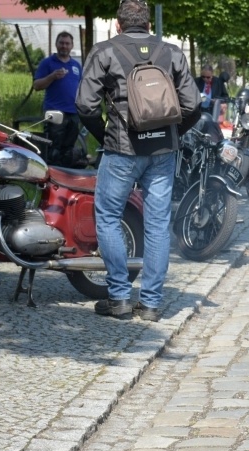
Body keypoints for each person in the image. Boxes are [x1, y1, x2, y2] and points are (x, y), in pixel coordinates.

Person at [76, 0, 199, 321]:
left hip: (121, 148)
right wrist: (174, 134)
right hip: (162, 152)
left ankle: (119, 298)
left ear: (118, 25)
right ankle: (152, 304)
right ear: (148, 25)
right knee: (158, 224)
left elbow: (85, 105)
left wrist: (103, 135)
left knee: (107, 217)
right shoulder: (172, 52)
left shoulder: (104, 51)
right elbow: (193, 105)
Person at [33, 31, 84, 167]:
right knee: (53, 149)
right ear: (56, 44)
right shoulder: (47, 63)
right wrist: (52, 77)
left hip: (73, 113)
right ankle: (50, 176)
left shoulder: (76, 66)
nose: (64, 46)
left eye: (67, 43)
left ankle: (66, 176)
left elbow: (82, 87)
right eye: (61, 43)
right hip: (55, 112)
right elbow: (37, 86)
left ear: (72, 46)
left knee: (68, 148)